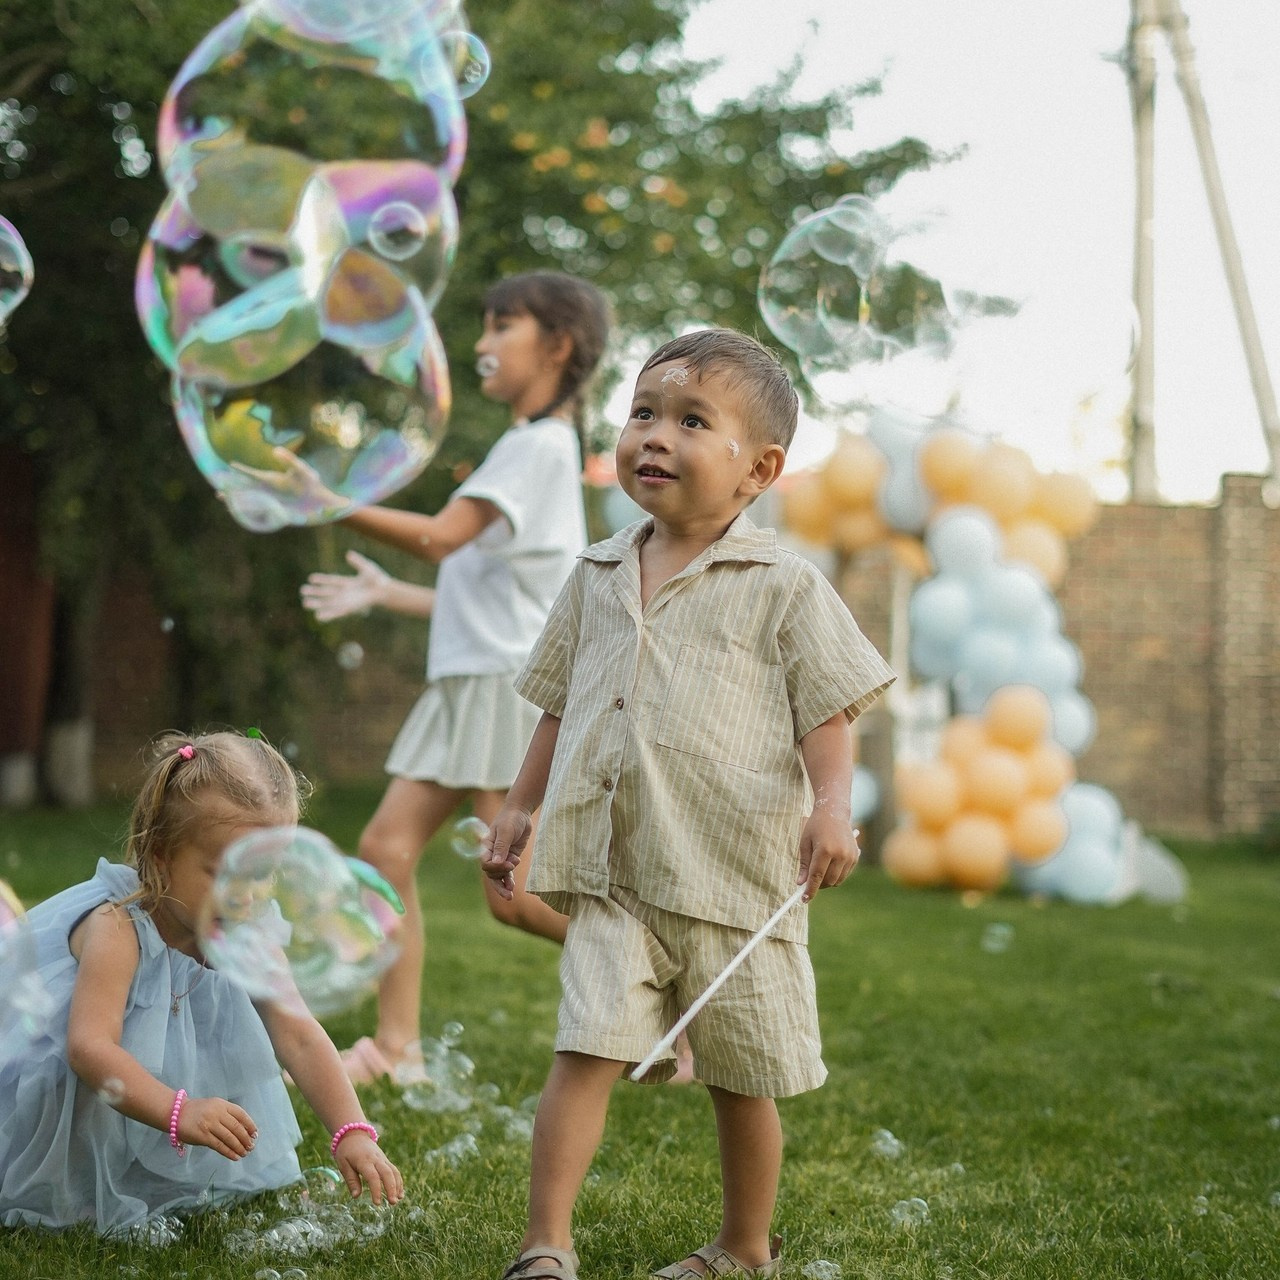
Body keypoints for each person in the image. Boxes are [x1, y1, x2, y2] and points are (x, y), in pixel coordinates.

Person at [480, 328, 896, 1280]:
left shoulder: (784, 582)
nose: (654, 436)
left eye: (690, 420)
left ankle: (743, 1248)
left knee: (743, 1079)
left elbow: (830, 708)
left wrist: (830, 808)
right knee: (582, 1048)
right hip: (614, 868)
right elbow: (556, 702)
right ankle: (546, 1245)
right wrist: (517, 806)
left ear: (760, 468)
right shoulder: (594, 572)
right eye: (642, 413)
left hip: (736, 877)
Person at [299, 271, 611, 1085]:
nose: (480, 343)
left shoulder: (539, 447)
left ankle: (665, 984)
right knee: (383, 848)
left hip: (506, 693)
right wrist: (384, 592)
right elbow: (483, 587)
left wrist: (323, 500)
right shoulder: (531, 447)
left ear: (557, 345)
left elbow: (442, 537)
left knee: (513, 898)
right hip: (473, 684)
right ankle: (397, 1049)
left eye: (501, 325)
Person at [0, 730, 403, 1235]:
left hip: (150, 1088)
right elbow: (90, 1050)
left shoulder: (248, 932)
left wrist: (351, 1130)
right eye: (224, 873)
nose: (246, 895)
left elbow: (299, 1036)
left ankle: (145, 1170)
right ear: (161, 856)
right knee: (79, 1132)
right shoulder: (118, 927)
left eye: (262, 874)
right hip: (72, 1091)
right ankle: (80, 1178)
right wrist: (179, 1110)